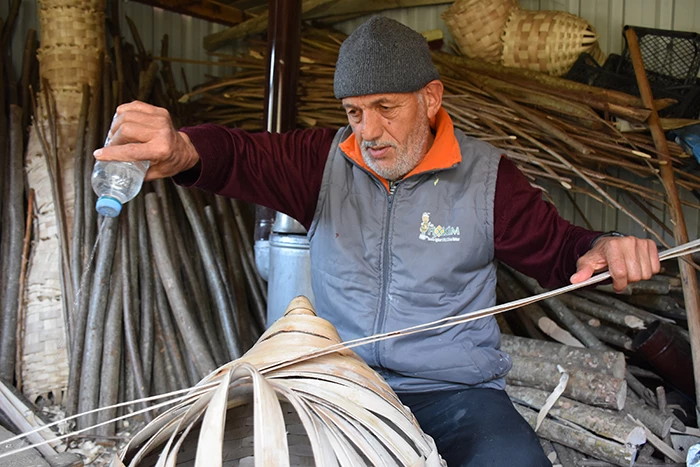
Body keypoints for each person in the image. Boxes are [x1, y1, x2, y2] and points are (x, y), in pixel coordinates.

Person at [95, 15, 660, 467]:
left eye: (386, 108)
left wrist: (603, 246)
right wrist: (182, 150)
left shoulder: (488, 179)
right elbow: (237, 156)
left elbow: (562, 250)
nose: (367, 131)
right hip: (338, 385)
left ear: (431, 98)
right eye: (354, 112)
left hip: (454, 396)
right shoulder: (321, 161)